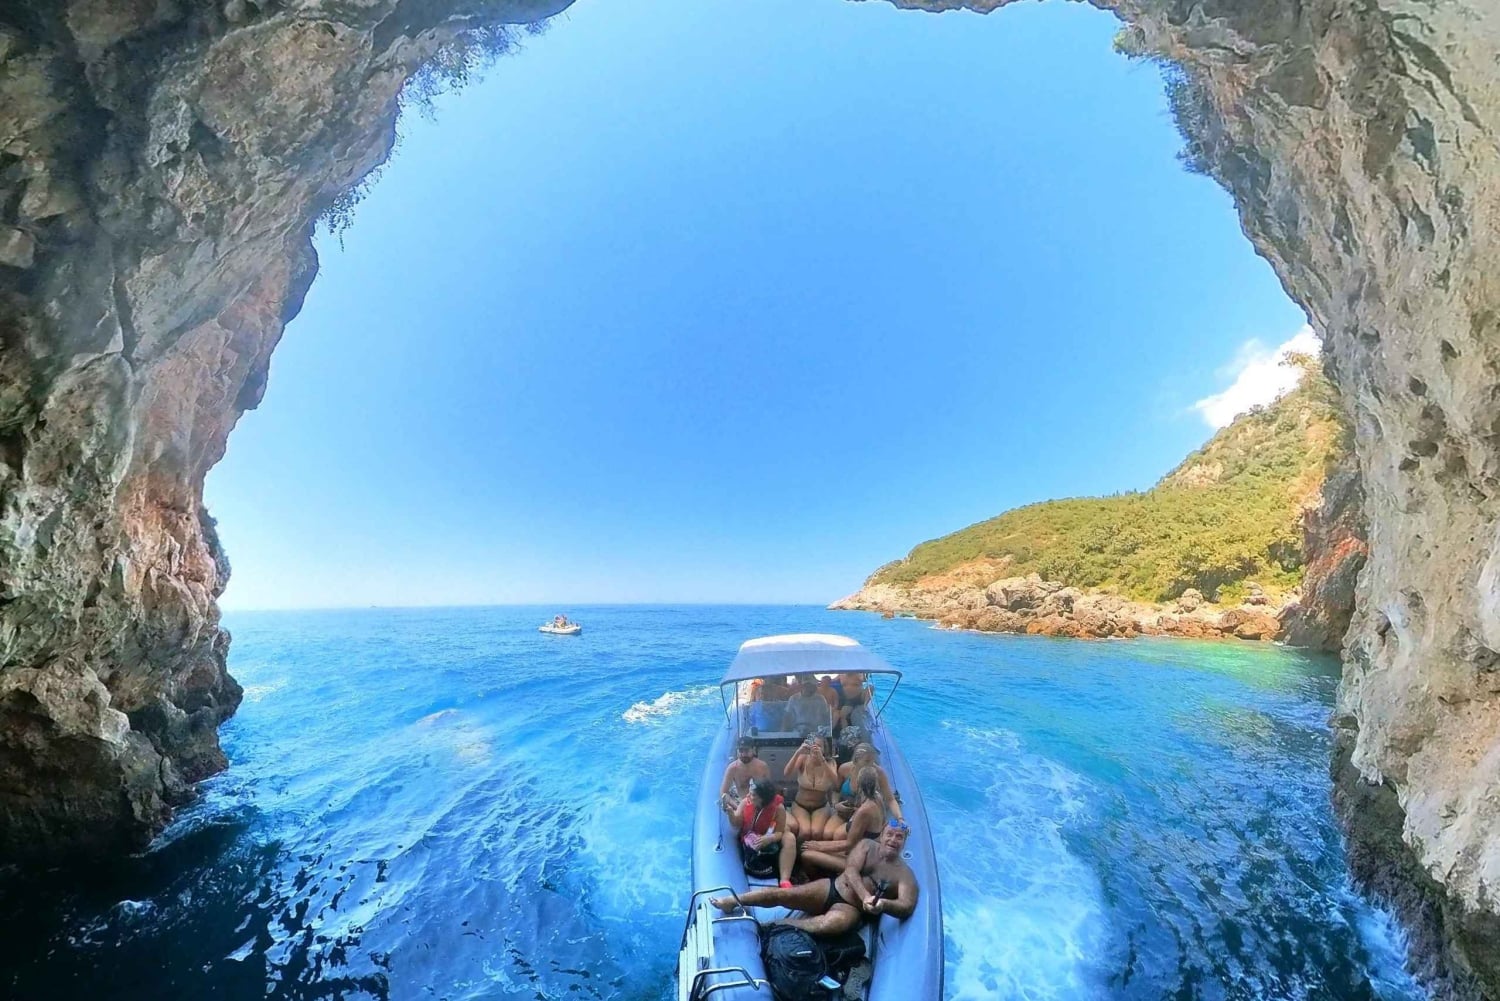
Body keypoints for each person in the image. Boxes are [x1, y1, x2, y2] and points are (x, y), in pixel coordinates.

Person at [709, 821, 919, 937]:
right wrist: (866, 895)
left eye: (899, 837)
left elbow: (906, 906)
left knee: (828, 925)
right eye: (889, 834)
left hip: (852, 909)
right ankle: (732, 901)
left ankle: (773, 925)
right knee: (782, 894)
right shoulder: (866, 845)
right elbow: (851, 870)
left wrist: (882, 904)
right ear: (882, 835)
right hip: (832, 888)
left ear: (905, 842)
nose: (893, 840)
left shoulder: (905, 875)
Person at [800, 767, 888, 873]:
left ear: (859, 784)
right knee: (820, 843)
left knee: (806, 853)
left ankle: (816, 879)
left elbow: (849, 844)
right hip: (866, 853)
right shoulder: (877, 798)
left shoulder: (865, 811)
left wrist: (819, 846)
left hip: (861, 862)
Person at [723, 777, 796, 888]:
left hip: (769, 837)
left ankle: (784, 880)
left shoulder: (778, 809)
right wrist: (730, 813)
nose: (749, 796)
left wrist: (769, 838)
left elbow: (779, 832)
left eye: (753, 795)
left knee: (790, 837)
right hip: (751, 839)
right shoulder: (745, 802)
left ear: (763, 798)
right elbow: (736, 823)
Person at [830, 743, 903, 829]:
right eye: (867, 761)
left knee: (839, 835)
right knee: (827, 833)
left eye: (873, 761)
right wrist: (835, 805)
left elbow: (890, 800)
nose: (871, 765)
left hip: (866, 815)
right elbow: (835, 790)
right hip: (845, 811)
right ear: (856, 760)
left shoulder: (878, 773)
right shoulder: (844, 769)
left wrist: (899, 818)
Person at [783, 734, 839, 837]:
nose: (815, 748)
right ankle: (800, 852)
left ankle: (812, 852)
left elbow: (836, 782)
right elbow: (786, 773)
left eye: (819, 746)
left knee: (816, 832)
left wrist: (822, 760)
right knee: (805, 832)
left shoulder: (831, 762)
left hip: (821, 806)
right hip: (800, 805)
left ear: (824, 749)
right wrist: (798, 752)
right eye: (813, 745)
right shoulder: (803, 758)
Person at [719, 736, 771, 809]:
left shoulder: (763, 767)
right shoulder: (732, 768)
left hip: (760, 804)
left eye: (746, 751)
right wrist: (737, 807)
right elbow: (723, 793)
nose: (743, 754)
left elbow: (769, 789)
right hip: (740, 803)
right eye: (741, 750)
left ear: (753, 750)